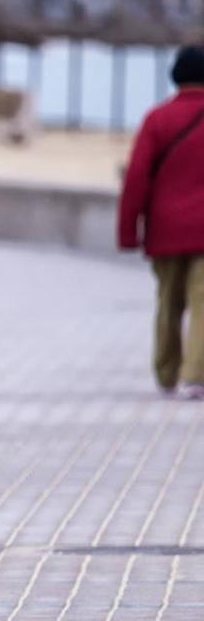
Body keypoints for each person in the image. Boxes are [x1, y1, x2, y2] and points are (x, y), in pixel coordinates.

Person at [119, 45, 204, 399]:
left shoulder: (157, 119)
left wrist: (128, 232)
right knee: (203, 301)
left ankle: (167, 370)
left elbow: (137, 178)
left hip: (165, 229)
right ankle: (196, 375)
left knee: (168, 301)